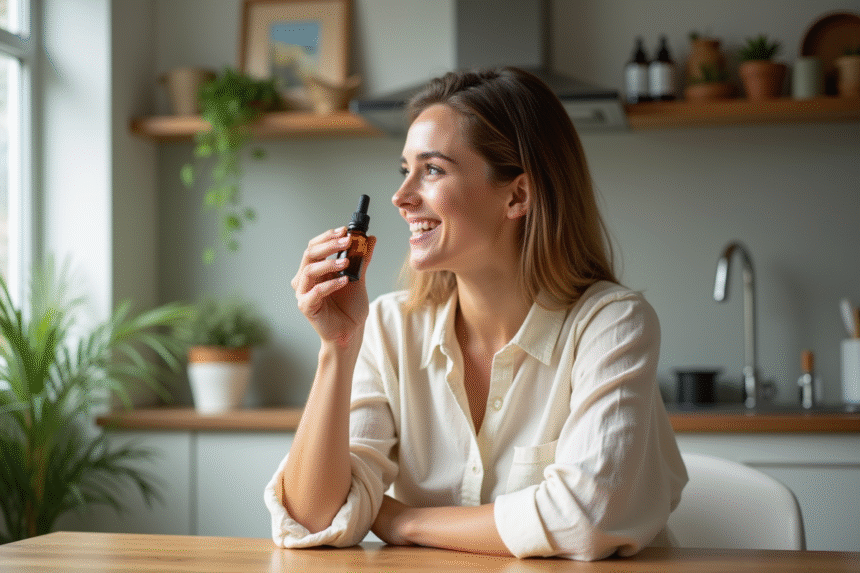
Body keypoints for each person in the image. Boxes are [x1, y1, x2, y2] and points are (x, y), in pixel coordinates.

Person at [265, 66, 688, 561]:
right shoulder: (388, 326)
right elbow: (313, 521)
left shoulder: (611, 325)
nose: (401, 198)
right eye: (405, 170)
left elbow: (584, 518)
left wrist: (403, 520)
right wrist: (337, 348)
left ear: (517, 195)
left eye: (433, 170)